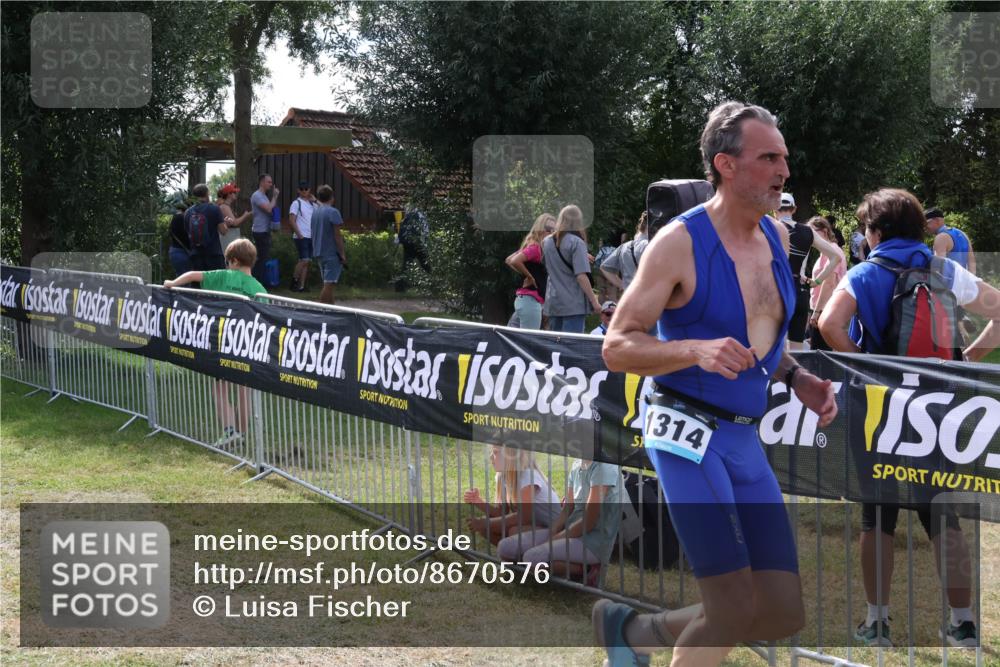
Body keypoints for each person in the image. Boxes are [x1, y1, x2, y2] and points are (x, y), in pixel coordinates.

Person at [594, 101, 838, 667]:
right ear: (726, 165)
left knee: (781, 611)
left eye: (784, 158)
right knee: (728, 608)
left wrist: (796, 375)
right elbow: (617, 345)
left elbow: (756, 335)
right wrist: (694, 350)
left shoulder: (776, 237)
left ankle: (631, 632)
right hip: (685, 431)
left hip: (742, 437)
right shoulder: (679, 243)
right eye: (768, 158)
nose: (784, 171)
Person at [819, 188, 1000, 649]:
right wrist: (965, 361)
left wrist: (867, 366)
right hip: (937, 410)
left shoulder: (865, 272)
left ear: (876, 231)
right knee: (942, 515)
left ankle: (876, 623)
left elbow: (829, 324)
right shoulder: (945, 270)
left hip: (877, 410)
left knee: (876, 515)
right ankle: (962, 624)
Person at [163, 239, 265, 448]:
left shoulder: (222, 275)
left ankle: (230, 431)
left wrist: (172, 283)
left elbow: (192, 275)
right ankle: (241, 434)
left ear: (234, 261)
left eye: (228, 262)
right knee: (244, 391)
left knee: (220, 388)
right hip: (247, 344)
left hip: (223, 342)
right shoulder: (259, 288)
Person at [497, 457, 622, 586]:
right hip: (570, 531)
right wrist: (554, 530)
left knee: (532, 558)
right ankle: (558, 567)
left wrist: (555, 538)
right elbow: (568, 508)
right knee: (505, 547)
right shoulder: (577, 464)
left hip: (593, 540)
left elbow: (589, 522)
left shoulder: (605, 467)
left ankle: (588, 570)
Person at [775, 192, 844, 350]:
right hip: (800, 292)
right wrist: (816, 281)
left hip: (777, 290)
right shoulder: (808, 232)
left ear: (775, 209)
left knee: (774, 348)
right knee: (796, 349)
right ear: (794, 209)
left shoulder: (769, 228)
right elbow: (835, 257)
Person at [463, 444, 561, 546]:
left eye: (495, 452)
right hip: (535, 525)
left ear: (510, 456)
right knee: (486, 528)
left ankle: (523, 555)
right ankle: (512, 554)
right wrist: (477, 501)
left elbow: (524, 517)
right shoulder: (502, 476)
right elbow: (501, 513)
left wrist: (487, 523)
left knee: (514, 532)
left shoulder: (527, 476)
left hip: (554, 528)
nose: (491, 457)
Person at [542, 204, 602, 333]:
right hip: (573, 304)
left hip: (554, 302)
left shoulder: (546, 242)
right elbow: (581, 276)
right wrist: (594, 301)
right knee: (571, 343)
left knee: (556, 343)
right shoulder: (576, 242)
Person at [505, 213, 554, 329]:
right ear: (540, 229)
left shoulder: (536, 247)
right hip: (531, 301)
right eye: (549, 229)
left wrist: (527, 274)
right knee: (529, 338)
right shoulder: (536, 249)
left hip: (525, 300)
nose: (552, 233)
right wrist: (530, 277)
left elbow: (509, 260)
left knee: (513, 336)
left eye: (555, 230)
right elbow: (513, 261)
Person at [805, 216, 846, 351]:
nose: (810, 236)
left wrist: (816, 312)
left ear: (824, 231)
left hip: (824, 310)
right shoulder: (825, 253)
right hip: (821, 308)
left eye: (812, 232)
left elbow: (829, 284)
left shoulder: (833, 251)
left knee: (819, 354)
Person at [185, 183, 235, 274]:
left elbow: (188, 233)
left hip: (196, 256)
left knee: (199, 282)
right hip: (214, 255)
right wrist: (226, 224)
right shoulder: (214, 209)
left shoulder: (188, 212)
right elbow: (223, 231)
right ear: (207, 194)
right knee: (216, 282)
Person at [310, 184, 346, 305]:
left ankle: (331, 310)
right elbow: (337, 235)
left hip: (319, 251)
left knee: (328, 284)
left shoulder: (315, 212)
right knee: (329, 285)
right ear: (332, 197)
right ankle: (320, 309)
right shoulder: (333, 212)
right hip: (331, 252)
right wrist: (342, 253)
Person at [600, 212, 649, 294]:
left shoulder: (624, 247)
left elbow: (604, 268)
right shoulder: (652, 245)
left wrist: (623, 286)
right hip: (649, 294)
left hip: (629, 295)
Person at [925, 207, 976, 273]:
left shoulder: (941, 237)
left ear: (937, 220)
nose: (925, 227)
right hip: (963, 278)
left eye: (927, 223)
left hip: (950, 279)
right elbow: (972, 262)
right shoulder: (962, 233)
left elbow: (939, 269)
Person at [250, 173, 280, 285]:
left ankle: (258, 282)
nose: (271, 184)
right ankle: (256, 282)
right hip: (260, 231)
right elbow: (268, 209)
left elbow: (271, 209)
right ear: (262, 182)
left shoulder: (264, 196)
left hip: (265, 230)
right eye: (269, 182)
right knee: (262, 258)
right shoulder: (257, 195)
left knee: (263, 258)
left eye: (271, 182)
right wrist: (275, 196)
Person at [289, 180, 317, 292]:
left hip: (311, 236)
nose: (304, 191)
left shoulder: (313, 204)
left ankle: (302, 286)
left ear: (309, 190)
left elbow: (324, 209)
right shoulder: (296, 203)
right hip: (301, 236)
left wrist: (315, 200)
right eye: (302, 189)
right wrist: (299, 234)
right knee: (304, 260)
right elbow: (292, 220)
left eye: (306, 189)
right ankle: (294, 282)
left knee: (307, 262)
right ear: (298, 190)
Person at [395, 207, 431, 291]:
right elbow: (425, 231)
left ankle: (400, 287)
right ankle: (434, 283)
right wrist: (425, 243)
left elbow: (401, 229)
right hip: (418, 244)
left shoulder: (408, 216)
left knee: (406, 265)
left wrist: (399, 241)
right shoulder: (421, 216)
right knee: (425, 264)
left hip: (407, 243)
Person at [215, 182, 251, 254]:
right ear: (229, 194)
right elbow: (234, 223)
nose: (236, 194)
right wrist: (245, 215)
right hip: (228, 238)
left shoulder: (226, 206)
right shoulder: (224, 207)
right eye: (234, 192)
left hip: (230, 237)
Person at [167, 198, 191, 278]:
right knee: (186, 279)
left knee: (180, 277)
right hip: (183, 252)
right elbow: (187, 237)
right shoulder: (184, 218)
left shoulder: (174, 218)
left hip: (174, 250)